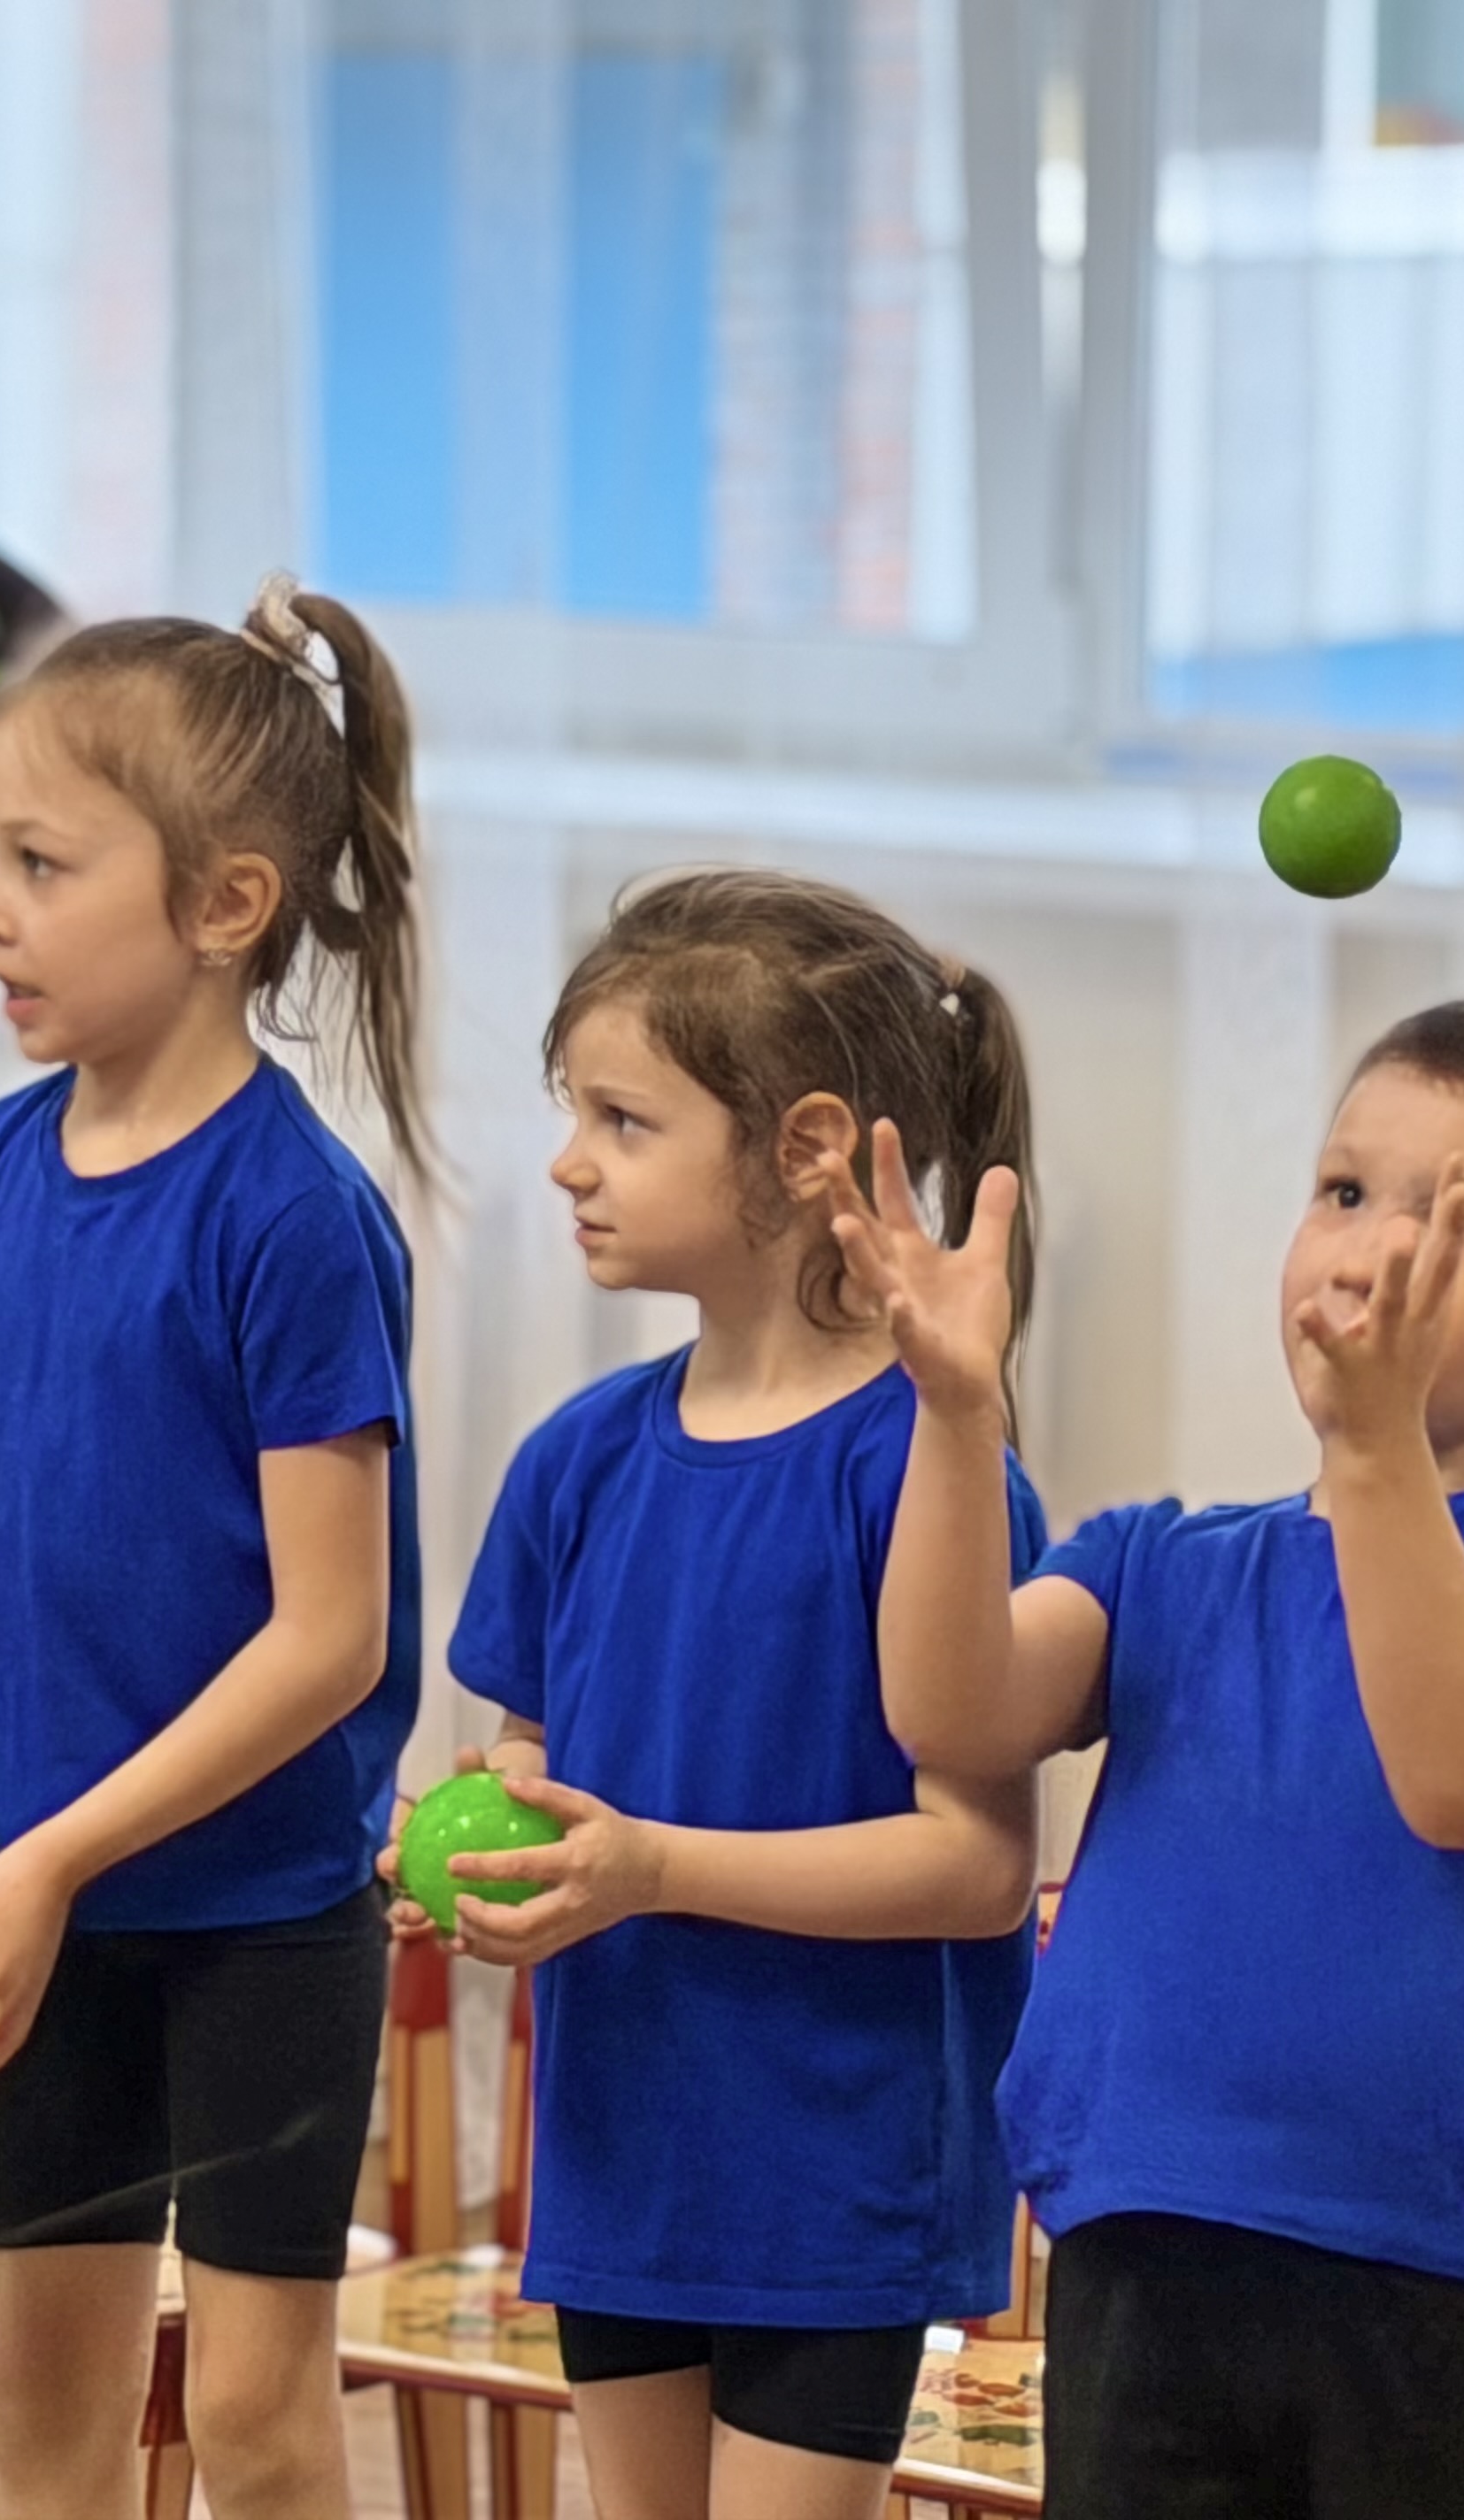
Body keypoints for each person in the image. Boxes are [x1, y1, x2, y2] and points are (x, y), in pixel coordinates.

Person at [845, 998, 1464, 2520]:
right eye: (1345, 1191)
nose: (1372, 1251)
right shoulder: (1158, 1560)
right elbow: (950, 1708)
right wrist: (957, 1413)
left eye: (1459, 1226)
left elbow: (1460, 1773)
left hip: (1435, 2280)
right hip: (1143, 2250)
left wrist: (1377, 1452)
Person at [0, 577, 428, 2520]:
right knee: (51, 2418)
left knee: (255, 2425)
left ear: (223, 904)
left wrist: (51, 1851)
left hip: (260, 1919)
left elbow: (330, 1639)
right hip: (45, 1912)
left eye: (40, 863)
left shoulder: (293, 1219)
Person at [412, 869, 1050, 2520]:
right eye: (576, 1113)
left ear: (806, 1148)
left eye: (623, 1120)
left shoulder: (931, 1469)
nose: (569, 1161)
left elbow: (977, 1868)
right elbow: (534, 1777)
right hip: (622, 2150)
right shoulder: (575, 1462)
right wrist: (486, 1863)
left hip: (831, 2177)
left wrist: (651, 1869)